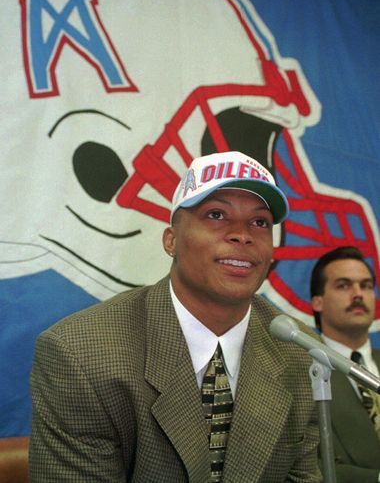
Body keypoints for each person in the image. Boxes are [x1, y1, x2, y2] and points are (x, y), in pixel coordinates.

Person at [29, 150, 321, 482]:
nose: (243, 234)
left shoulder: (300, 352)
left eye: (260, 222)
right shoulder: (81, 354)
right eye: (216, 214)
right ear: (171, 241)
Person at [310, 246, 380, 483]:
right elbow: (299, 463)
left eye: (366, 286)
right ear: (317, 302)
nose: (358, 294)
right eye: (344, 285)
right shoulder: (300, 370)